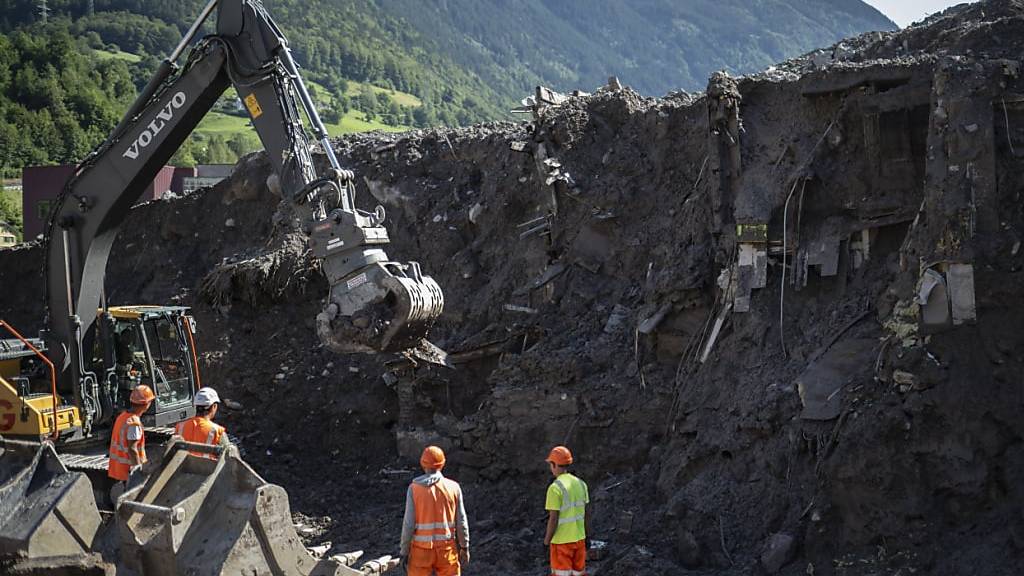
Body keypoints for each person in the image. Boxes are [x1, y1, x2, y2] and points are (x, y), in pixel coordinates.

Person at [400, 446, 470, 576]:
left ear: (422, 464)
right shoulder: (454, 488)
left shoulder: (414, 489)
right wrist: (464, 546)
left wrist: (404, 551)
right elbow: (461, 521)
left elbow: (408, 524)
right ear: (442, 464)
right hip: (446, 550)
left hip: (421, 552)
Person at [544, 445, 590, 576]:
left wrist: (546, 541)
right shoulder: (581, 484)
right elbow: (586, 514)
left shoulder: (555, 488)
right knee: (578, 574)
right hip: (579, 540)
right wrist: (587, 536)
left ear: (554, 465)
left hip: (561, 543)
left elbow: (553, 519)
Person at [108, 384, 155, 502]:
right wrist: (138, 470)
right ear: (146, 404)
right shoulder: (134, 423)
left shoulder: (122, 417)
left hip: (118, 469)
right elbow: (132, 448)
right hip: (128, 472)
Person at [173, 386, 229, 459]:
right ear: (214, 406)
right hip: (208, 469)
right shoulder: (217, 431)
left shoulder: (180, 426)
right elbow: (228, 455)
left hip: (182, 468)